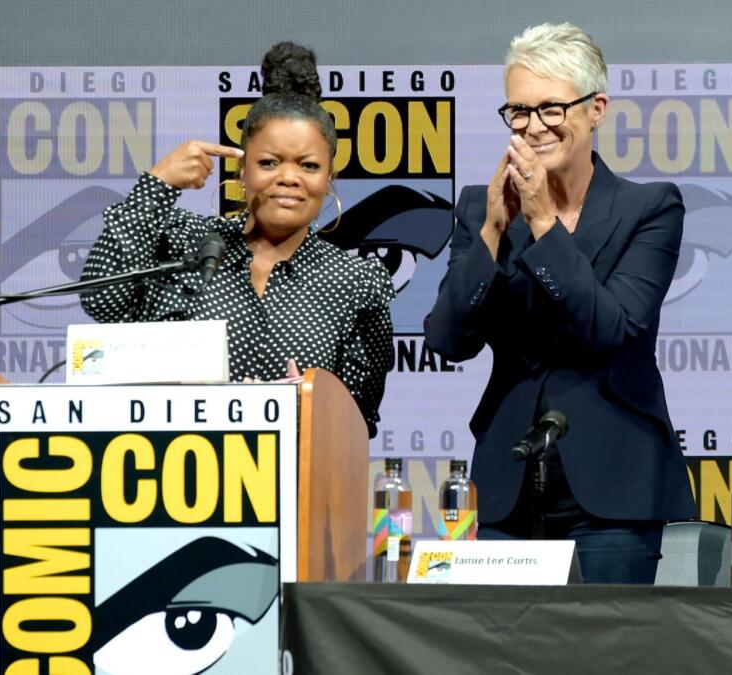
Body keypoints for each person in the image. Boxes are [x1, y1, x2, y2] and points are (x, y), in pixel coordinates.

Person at [424, 22, 697, 584]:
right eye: (518, 112)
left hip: (615, 484)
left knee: (608, 655)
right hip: (509, 478)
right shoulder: (481, 207)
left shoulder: (650, 208)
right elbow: (448, 339)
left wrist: (544, 222)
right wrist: (495, 231)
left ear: (596, 109)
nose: (533, 127)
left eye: (551, 108)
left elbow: (610, 328)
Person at [80, 42, 394, 437]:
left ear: (328, 179)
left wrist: (314, 407)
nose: (289, 177)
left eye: (309, 166)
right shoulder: (187, 245)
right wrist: (156, 185)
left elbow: (361, 417)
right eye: (269, 162)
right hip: (176, 478)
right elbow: (103, 300)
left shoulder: (355, 282)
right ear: (242, 172)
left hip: (297, 487)